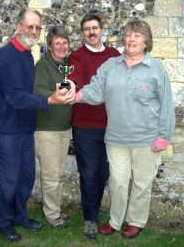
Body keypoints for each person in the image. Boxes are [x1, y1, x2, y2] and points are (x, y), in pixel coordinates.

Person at [73, 19, 175, 239]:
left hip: (147, 139)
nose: (131, 39)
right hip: (116, 138)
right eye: (128, 35)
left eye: (137, 36)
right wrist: (75, 96)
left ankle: (136, 221)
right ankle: (115, 220)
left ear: (146, 41)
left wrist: (163, 137)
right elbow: (96, 90)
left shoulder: (156, 68)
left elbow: (167, 104)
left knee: (141, 183)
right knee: (117, 182)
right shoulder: (111, 65)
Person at [0, 10, 75, 242]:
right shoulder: (6, 57)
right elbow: (15, 97)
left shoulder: (26, 55)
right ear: (18, 27)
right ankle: (3, 222)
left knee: (26, 176)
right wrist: (49, 100)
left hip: (25, 127)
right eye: (30, 26)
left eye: (37, 28)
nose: (33, 31)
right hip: (5, 129)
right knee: (9, 178)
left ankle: (19, 216)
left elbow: (28, 93)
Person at [68, 13, 120, 239]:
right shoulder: (76, 56)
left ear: (101, 30)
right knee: (88, 172)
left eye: (95, 28)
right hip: (85, 126)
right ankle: (90, 218)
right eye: (87, 29)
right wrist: (71, 85)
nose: (91, 32)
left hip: (112, 125)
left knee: (104, 172)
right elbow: (75, 77)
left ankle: (94, 208)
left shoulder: (114, 55)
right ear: (83, 33)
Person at [34, 26, 72, 229]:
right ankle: (52, 215)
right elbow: (38, 91)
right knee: (50, 175)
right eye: (57, 43)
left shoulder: (65, 65)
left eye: (64, 42)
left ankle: (55, 209)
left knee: (58, 173)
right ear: (49, 46)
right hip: (47, 129)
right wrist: (57, 95)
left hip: (65, 128)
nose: (61, 46)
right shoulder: (43, 66)